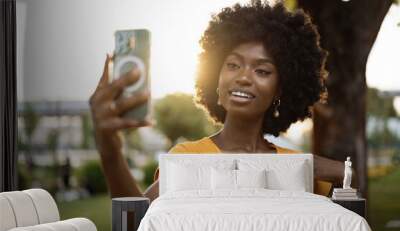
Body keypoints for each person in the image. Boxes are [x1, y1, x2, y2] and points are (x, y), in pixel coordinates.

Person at [89, 1, 349, 203]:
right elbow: (135, 224)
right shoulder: (187, 157)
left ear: (281, 89)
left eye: (262, 71)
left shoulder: (299, 164)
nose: (244, 77)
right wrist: (110, 151)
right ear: (216, 78)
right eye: (233, 65)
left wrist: (344, 172)